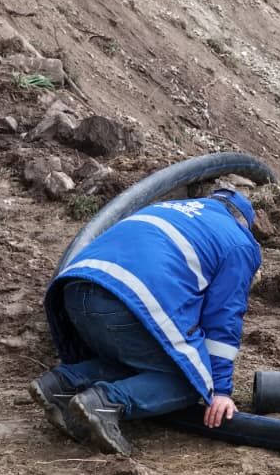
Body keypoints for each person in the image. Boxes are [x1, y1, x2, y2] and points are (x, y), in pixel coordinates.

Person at [32, 188, 262, 455]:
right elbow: (223, 317)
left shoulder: (171, 209)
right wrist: (218, 389)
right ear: (244, 223)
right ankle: (106, 402)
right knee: (191, 378)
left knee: (140, 360)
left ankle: (62, 384)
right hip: (126, 302)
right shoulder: (239, 242)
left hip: (72, 294)